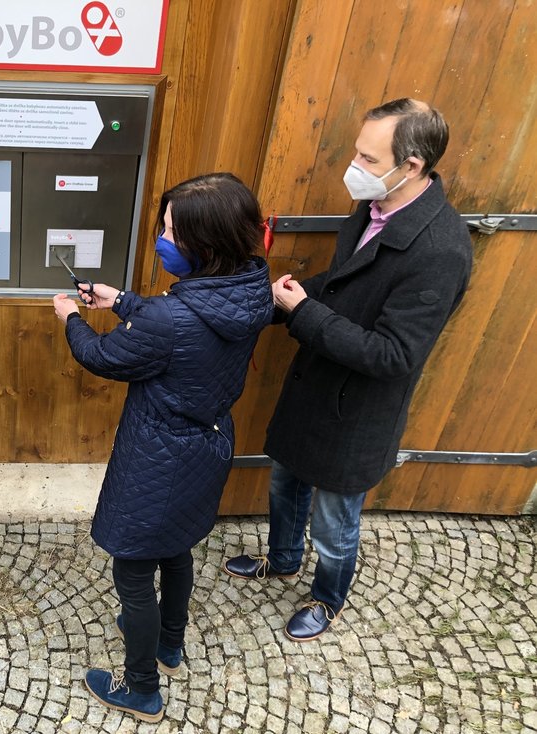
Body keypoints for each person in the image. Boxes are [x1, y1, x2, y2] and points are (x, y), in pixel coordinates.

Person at [224, 98, 473, 641]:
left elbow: (394, 355)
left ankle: (327, 597)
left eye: (367, 156)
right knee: (285, 483)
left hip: (356, 412)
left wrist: (302, 311)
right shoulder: (371, 210)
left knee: (335, 524)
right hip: (315, 384)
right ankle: (284, 559)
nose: (354, 166)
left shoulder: (440, 251)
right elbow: (343, 286)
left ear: (410, 165)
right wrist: (280, 299)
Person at [52, 173, 273, 722]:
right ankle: (170, 644)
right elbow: (187, 320)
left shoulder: (169, 317)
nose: (162, 238)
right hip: (209, 444)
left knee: (131, 571)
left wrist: (72, 318)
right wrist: (124, 299)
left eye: (172, 231)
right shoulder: (251, 287)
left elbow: (103, 357)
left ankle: (141, 687)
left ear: (206, 243)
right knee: (176, 550)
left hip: (158, 456)